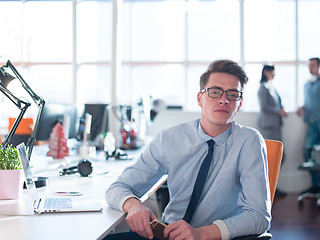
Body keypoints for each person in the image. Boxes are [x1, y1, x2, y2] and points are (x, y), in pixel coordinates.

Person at [105, 60, 271, 240]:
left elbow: (259, 216)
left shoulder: (249, 141)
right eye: (215, 92)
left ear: (239, 104)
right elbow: (118, 188)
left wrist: (201, 234)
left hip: (218, 236)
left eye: (233, 94)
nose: (224, 100)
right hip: (170, 233)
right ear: (199, 98)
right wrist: (133, 205)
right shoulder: (169, 139)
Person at [257, 65, 288, 197]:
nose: (274, 74)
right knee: (270, 157)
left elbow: (277, 103)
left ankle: (272, 186)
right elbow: (264, 107)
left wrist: (282, 108)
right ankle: (268, 189)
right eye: (272, 71)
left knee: (280, 156)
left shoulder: (271, 86)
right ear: (266, 72)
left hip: (275, 125)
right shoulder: (263, 87)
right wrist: (278, 111)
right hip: (269, 126)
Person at [296, 57, 320, 194]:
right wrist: (302, 107)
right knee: (307, 153)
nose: (310, 68)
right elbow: (310, 101)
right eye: (308, 65)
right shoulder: (306, 84)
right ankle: (315, 184)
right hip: (311, 123)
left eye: (312, 65)